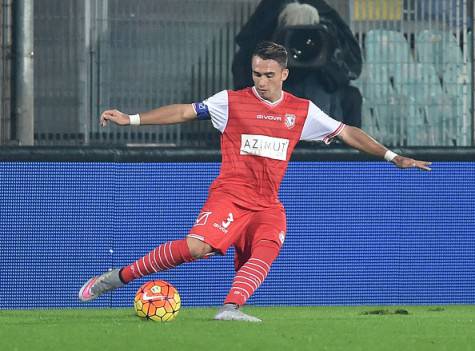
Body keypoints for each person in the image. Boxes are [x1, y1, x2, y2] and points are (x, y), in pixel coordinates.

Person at [78, 41, 431, 322]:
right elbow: (185, 111)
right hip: (230, 197)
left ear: (284, 74)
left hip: (267, 204)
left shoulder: (302, 111)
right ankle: (118, 278)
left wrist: (392, 156)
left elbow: (346, 131)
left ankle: (229, 309)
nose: (260, 81)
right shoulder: (229, 102)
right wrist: (132, 119)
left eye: (267, 74)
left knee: (266, 250)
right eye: (256, 73)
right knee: (196, 249)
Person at [233, 0, 363, 127]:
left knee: (351, 96)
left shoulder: (328, 23)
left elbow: (348, 67)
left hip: (317, 87)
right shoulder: (269, 17)